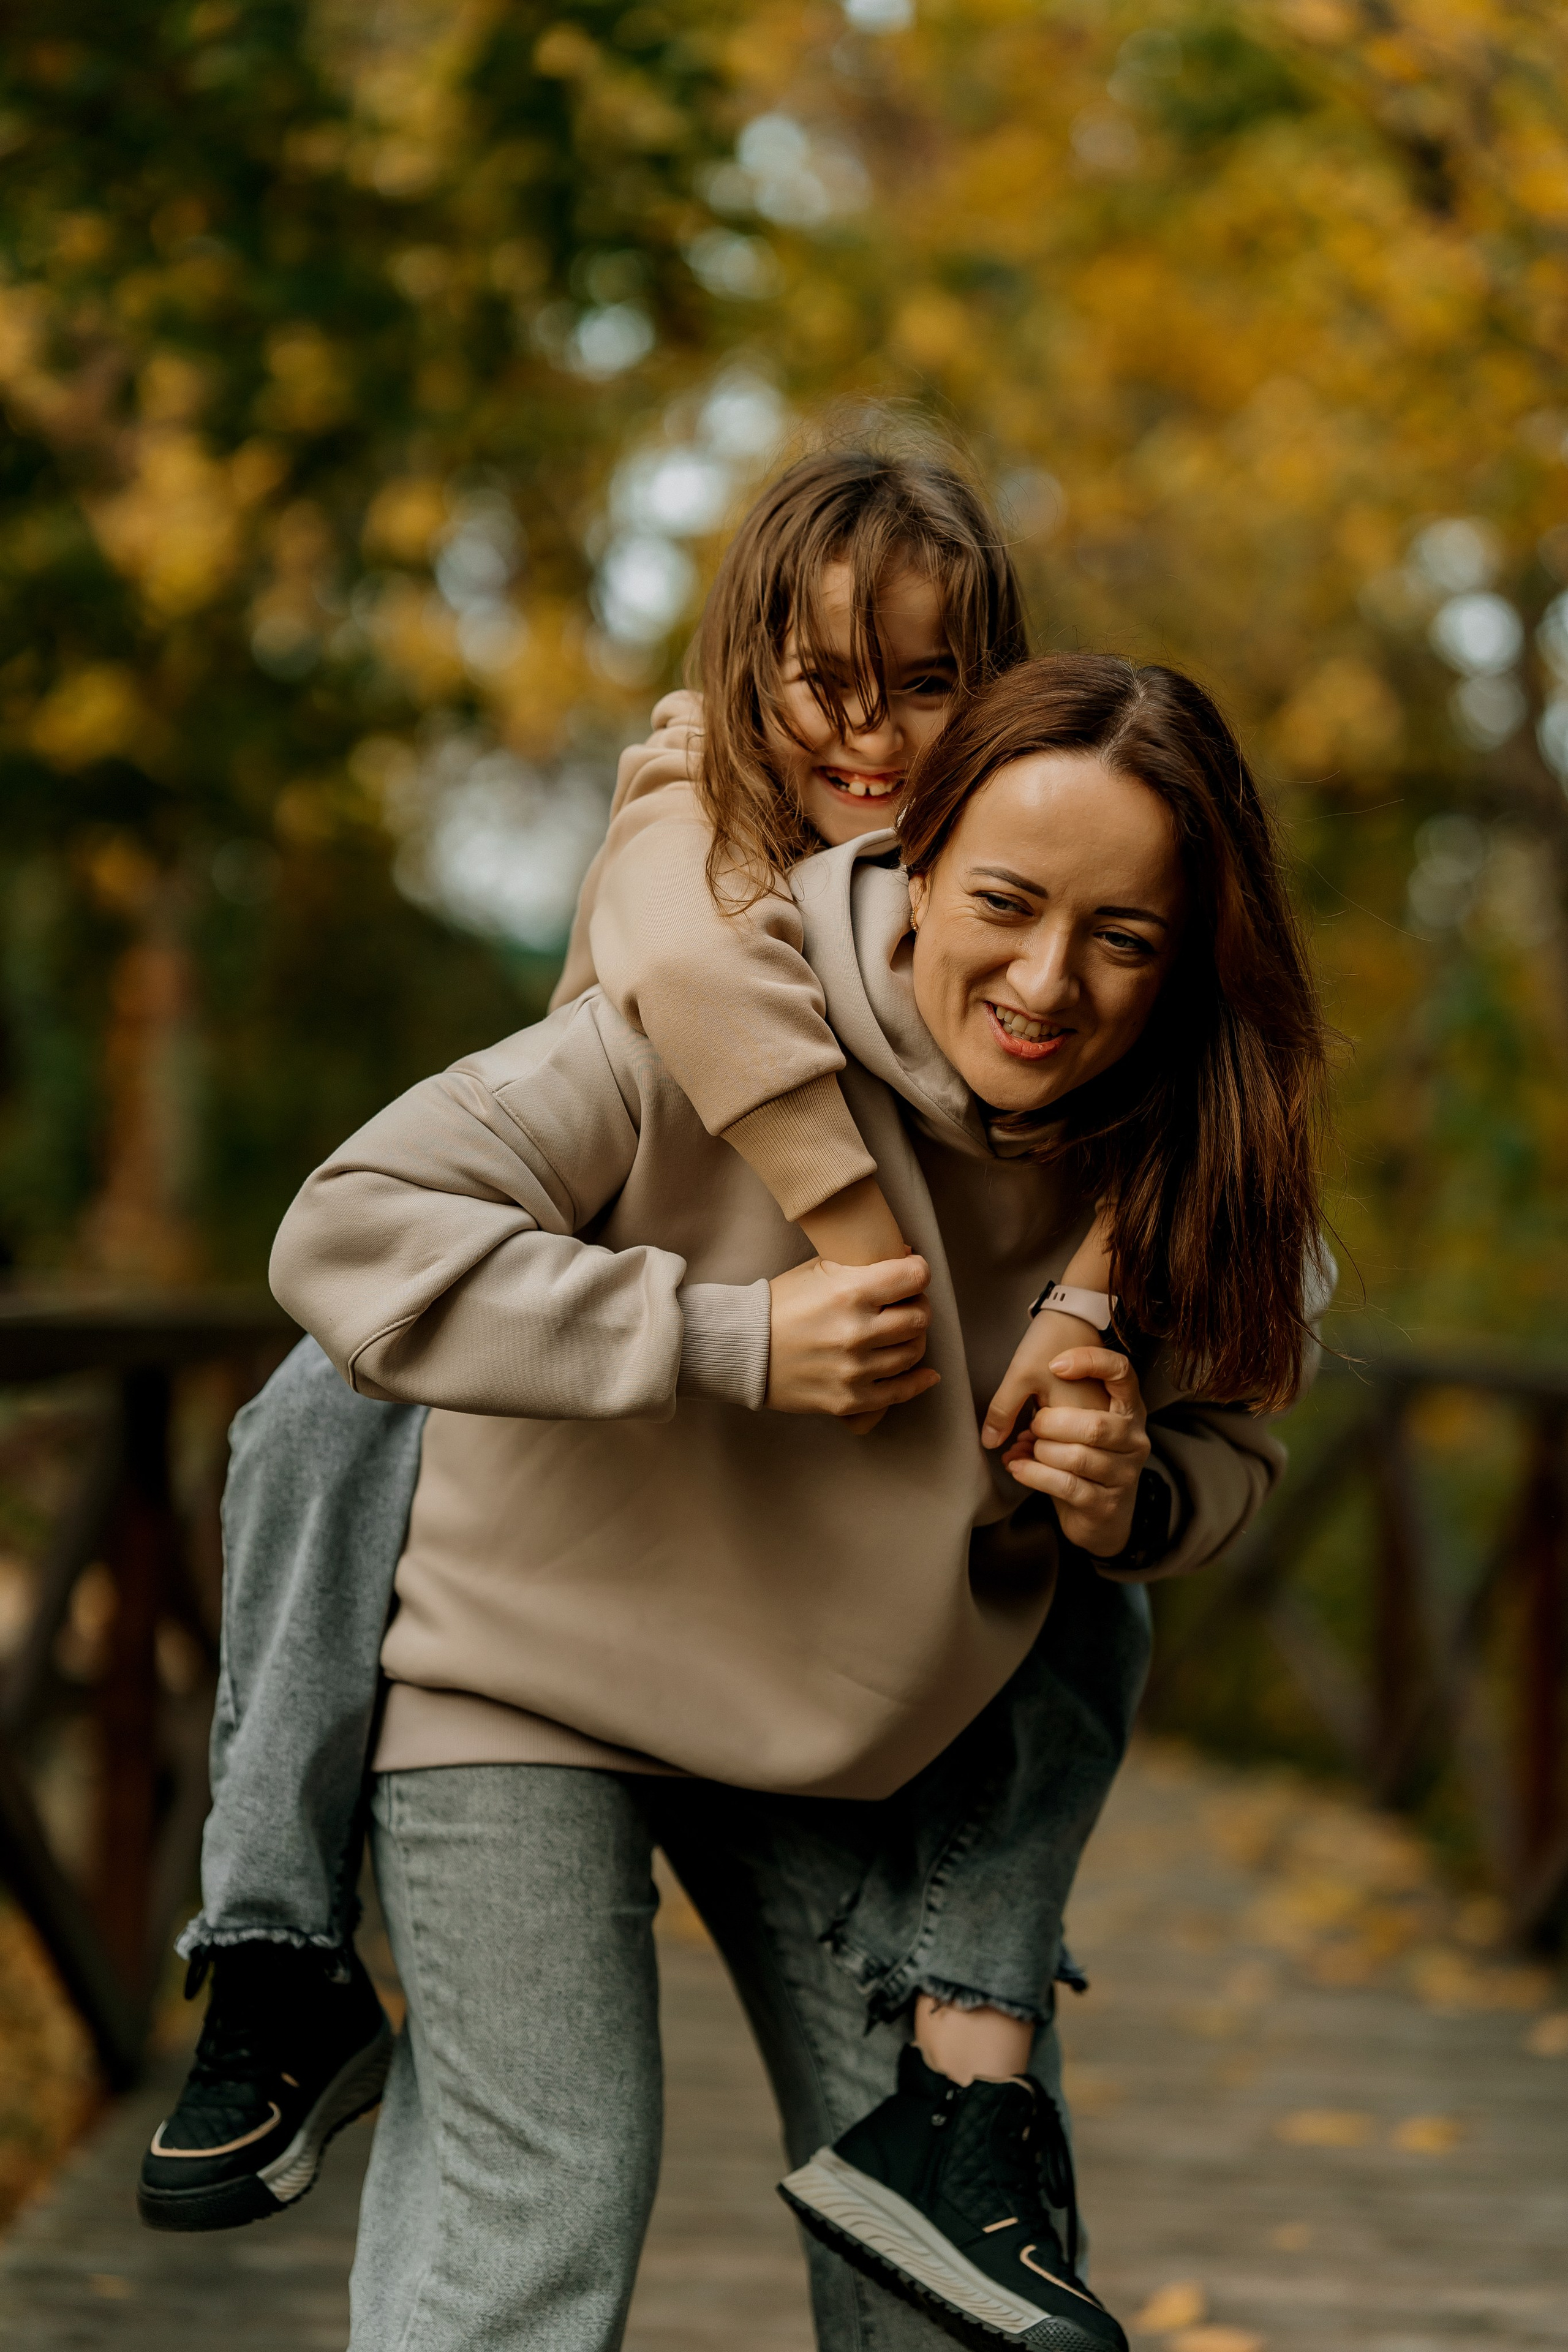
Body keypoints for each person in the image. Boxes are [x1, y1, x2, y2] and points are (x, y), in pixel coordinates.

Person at [255, 652, 1327, 2352]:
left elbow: (1237, 1457)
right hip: (523, 1673)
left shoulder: (1189, 1159)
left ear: (1189, 957)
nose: (1050, 982)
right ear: (913, 853)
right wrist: (720, 1335)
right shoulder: (702, 1012)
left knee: (960, 2294)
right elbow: (345, 1231)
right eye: (1005, 902)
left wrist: (1137, 1494)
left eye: (1123, 941)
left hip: (857, 1740)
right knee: (539, 2217)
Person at [140, 445, 1142, 2249]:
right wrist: (828, 1265)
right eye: (826, 681)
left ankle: (971, 2060)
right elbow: (686, 986)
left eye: (930, 686)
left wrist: (1087, 1321)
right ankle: (279, 1949)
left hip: (816, 1614)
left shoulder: (1036, 923)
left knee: (1091, 1570)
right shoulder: (690, 825)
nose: (877, 732)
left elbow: (1221, 1130)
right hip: (577, 1472)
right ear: (743, 672)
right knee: (320, 1415)